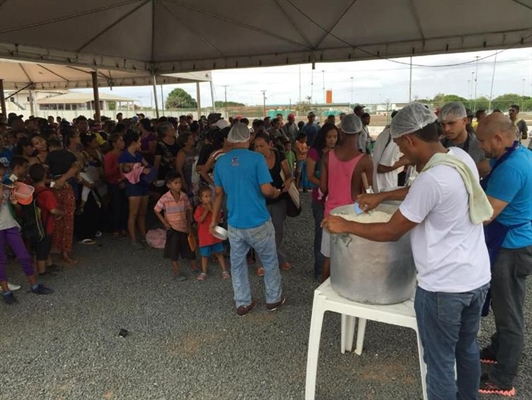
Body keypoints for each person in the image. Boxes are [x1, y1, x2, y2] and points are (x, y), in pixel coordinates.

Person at [323, 103, 492, 400]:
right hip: (476, 278)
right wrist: (383, 196)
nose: (402, 154)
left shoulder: (431, 179)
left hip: (444, 289)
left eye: (401, 146)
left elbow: (392, 231)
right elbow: (422, 194)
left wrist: (345, 225)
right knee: (466, 351)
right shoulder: (459, 158)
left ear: (411, 139)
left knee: (439, 365)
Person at [476, 113, 532, 396]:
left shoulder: (512, 168)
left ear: (498, 138)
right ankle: (498, 349)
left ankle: (502, 378)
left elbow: (485, 214)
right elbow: (484, 165)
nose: (481, 147)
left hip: (512, 246)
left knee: (509, 310)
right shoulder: (514, 153)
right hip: (511, 240)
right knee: (501, 300)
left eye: (483, 141)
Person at [210, 123, 285, 316]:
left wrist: (212, 221)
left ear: (230, 140)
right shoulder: (257, 159)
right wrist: (276, 192)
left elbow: (218, 194)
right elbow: (266, 190)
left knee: (237, 264)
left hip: (234, 223)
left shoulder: (221, 162)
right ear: (248, 138)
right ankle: (273, 299)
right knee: (269, 260)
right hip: (258, 221)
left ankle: (242, 302)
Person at [319, 114, 373, 282]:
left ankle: (323, 291)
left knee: (329, 257)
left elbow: (323, 188)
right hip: (353, 213)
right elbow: (369, 194)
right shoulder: (365, 160)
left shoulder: (328, 156)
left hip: (331, 214)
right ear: (359, 132)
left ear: (340, 131)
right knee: (351, 257)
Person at [0, 163, 53, 305]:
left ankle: (34, 285)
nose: (1, 177)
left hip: (9, 225)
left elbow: (17, 207)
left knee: (24, 255)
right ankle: (6, 291)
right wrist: (2, 188)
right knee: (1, 261)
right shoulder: (2, 187)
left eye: (2, 174)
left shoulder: (5, 185)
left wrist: (14, 198)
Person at [254, 132, 293, 274]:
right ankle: (260, 262)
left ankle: (279, 257)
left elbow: (288, 173)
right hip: (260, 200)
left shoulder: (279, 155)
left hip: (279, 198)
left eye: (262, 146)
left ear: (270, 145)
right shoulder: (254, 159)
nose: (258, 149)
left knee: (277, 230)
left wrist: (288, 181)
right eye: (256, 146)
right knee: (260, 232)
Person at [306, 123, 338, 280]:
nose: (332, 140)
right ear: (323, 137)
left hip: (337, 199)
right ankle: (319, 270)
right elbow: (310, 176)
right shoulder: (314, 152)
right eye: (329, 136)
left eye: (335, 137)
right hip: (320, 200)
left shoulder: (339, 152)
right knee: (321, 234)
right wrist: (325, 185)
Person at [154, 171, 197, 281]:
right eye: (175, 183)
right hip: (172, 228)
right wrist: (164, 222)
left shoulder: (183, 196)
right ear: (168, 185)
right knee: (173, 250)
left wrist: (189, 224)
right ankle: (176, 271)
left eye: (179, 182)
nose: (178, 185)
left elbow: (189, 209)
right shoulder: (165, 198)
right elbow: (156, 210)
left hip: (183, 227)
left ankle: (194, 266)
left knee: (189, 248)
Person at [28, 163, 64, 276]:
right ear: (44, 176)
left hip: (36, 223)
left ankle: (49, 264)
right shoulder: (47, 193)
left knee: (44, 245)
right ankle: (42, 271)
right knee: (43, 248)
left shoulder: (33, 189)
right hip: (45, 223)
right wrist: (61, 212)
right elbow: (52, 210)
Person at [439, 102, 491, 177]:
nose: (446, 129)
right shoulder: (440, 144)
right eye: (443, 124)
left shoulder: (480, 146)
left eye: (451, 123)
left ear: (465, 121)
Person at [119, 130, 151, 249]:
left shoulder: (138, 154)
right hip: (133, 186)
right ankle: (133, 239)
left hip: (143, 184)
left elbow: (146, 164)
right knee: (133, 213)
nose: (140, 143)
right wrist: (140, 169)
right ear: (133, 142)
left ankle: (143, 235)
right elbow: (123, 174)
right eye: (139, 141)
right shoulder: (124, 156)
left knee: (142, 213)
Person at [194, 186, 230, 281]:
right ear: (200, 199)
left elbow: (218, 219)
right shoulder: (199, 209)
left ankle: (224, 270)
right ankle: (204, 272)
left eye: (210, 196)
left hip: (215, 236)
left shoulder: (215, 207)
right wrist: (206, 210)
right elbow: (200, 220)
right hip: (204, 237)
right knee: (204, 255)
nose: (208, 198)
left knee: (219, 253)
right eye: (205, 196)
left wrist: (212, 210)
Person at [372, 111, 410, 193]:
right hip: (385, 187)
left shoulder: (386, 133)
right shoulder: (396, 137)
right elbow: (382, 168)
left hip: (381, 185)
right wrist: (407, 159)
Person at [104, 133, 128, 239]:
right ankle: (115, 228)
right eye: (120, 141)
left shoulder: (123, 154)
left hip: (124, 182)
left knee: (124, 206)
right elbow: (107, 173)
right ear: (114, 144)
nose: (123, 143)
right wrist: (117, 167)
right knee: (116, 207)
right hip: (114, 184)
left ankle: (123, 227)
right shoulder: (109, 156)